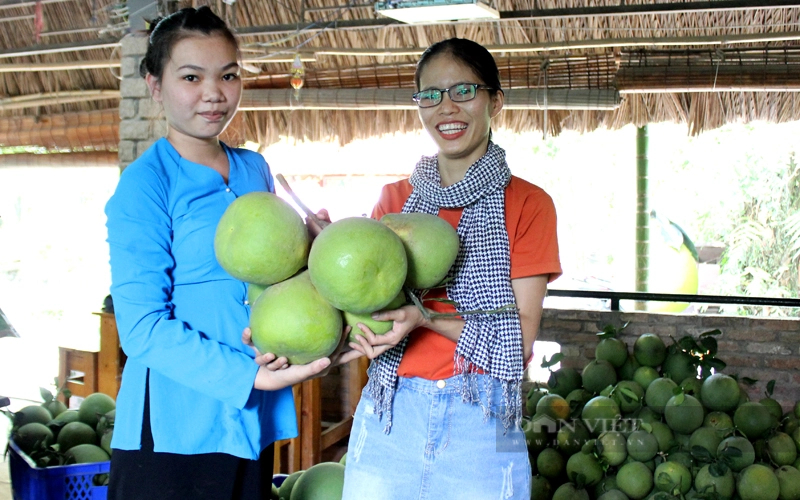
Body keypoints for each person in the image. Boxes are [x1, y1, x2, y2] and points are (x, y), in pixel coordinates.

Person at [104, 7, 359, 499]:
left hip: (247, 421)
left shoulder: (253, 170)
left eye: (228, 75)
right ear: (154, 85)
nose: (214, 92)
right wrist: (248, 376)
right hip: (176, 427)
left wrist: (317, 247)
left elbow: (272, 277)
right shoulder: (144, 185)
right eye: (191, 77)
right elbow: (140, 329)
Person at [342, 38, 562, 499]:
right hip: (391, 410)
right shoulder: (393, 202)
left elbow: (517, 340)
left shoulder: (527, 204)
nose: (447, 107)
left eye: (464, 91)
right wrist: (325, 253)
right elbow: (366, 310)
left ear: (494, 100)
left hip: (485, 413)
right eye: (431, 95)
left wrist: (426, 319)